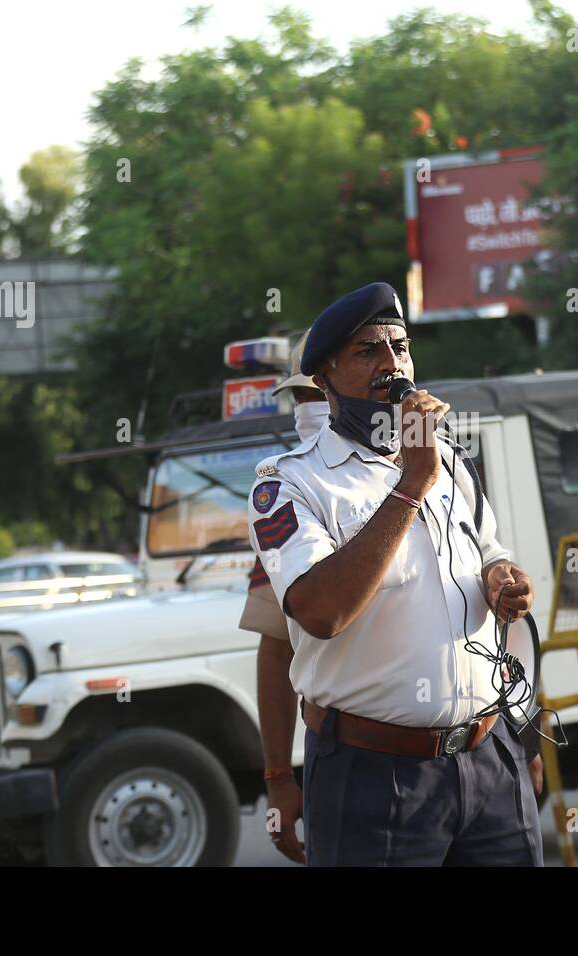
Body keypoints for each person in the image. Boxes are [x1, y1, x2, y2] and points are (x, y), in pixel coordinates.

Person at [247, 282, 543, 867]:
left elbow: (488, 555)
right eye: (367, 352)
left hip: (488, 756)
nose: (392, 366)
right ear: (323, 380)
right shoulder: (288, 482)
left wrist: (502, 578)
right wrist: (411, 482)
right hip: (373, 777)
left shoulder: (451, 461)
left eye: (400, 348)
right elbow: (321, 613)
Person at [240, 330, 329, 864]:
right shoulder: (290, 491)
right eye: (301, 397)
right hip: (358, 759)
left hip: (473, 755)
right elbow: (277, 648)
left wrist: (518, 739)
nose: (307, 410)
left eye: (316, 395)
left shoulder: (438, 473)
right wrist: (278, 778)